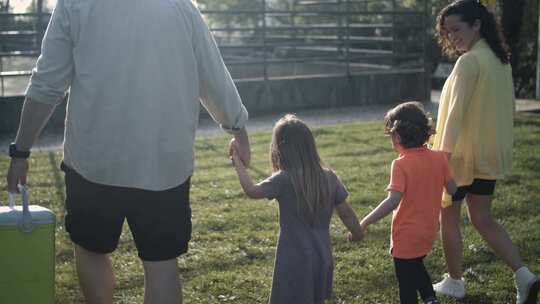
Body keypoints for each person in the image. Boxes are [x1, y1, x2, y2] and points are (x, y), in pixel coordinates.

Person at [5, 0, 251, 303]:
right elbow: (212, 75)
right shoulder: (179, 7)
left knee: (92, 250)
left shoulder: (74, 4)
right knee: (161, 265)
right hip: (163, 164)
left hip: (94, 162)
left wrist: (21, 151)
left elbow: (46, 84)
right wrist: (237, 127)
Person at [432, 1, 539, 303]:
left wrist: (442, 157)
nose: (452, 37)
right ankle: (524, 276)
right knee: (483, 218)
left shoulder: (469, 63)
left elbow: (454, 115)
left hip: (460, 157)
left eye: (457, 29)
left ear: (476, 24)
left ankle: (454, 281)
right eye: (448, 32)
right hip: (486, 156)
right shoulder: (500, 60)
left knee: (448, 217)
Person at [230, 114, 363, 304]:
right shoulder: (330, 178)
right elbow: (346, 212)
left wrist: (237, 162)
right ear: (310, 146)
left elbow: (252, 190)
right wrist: (357, 233)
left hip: (292, 257)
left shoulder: (283, 179)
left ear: (279, 149)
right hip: (321, 256)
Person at [360, 102, 457, 304]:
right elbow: (453, 189)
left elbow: (392, 201)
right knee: (416, 265)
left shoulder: (401, 164)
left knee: (406, 281)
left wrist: (365, 222)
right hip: (429, 230)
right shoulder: (439, 158)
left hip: (406, 234)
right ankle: (430, 299)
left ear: (396, 136)